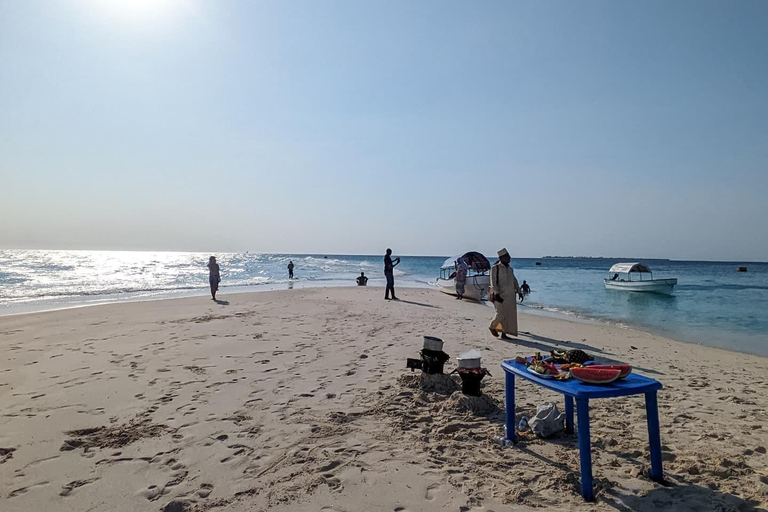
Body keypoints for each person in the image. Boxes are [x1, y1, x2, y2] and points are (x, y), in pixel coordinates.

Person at [489, 248, 521, 339]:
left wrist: (519, 291)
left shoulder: (510, 269)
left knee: (508, 315)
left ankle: (504, 333)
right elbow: (493, 282)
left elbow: (514, 280)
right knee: (500, 314)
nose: (509, 258)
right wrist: (496, 293)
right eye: (507, 257)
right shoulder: (495, 268)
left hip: (510, 295)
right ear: (502, 258)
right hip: (500, 295)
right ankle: (492, 326)